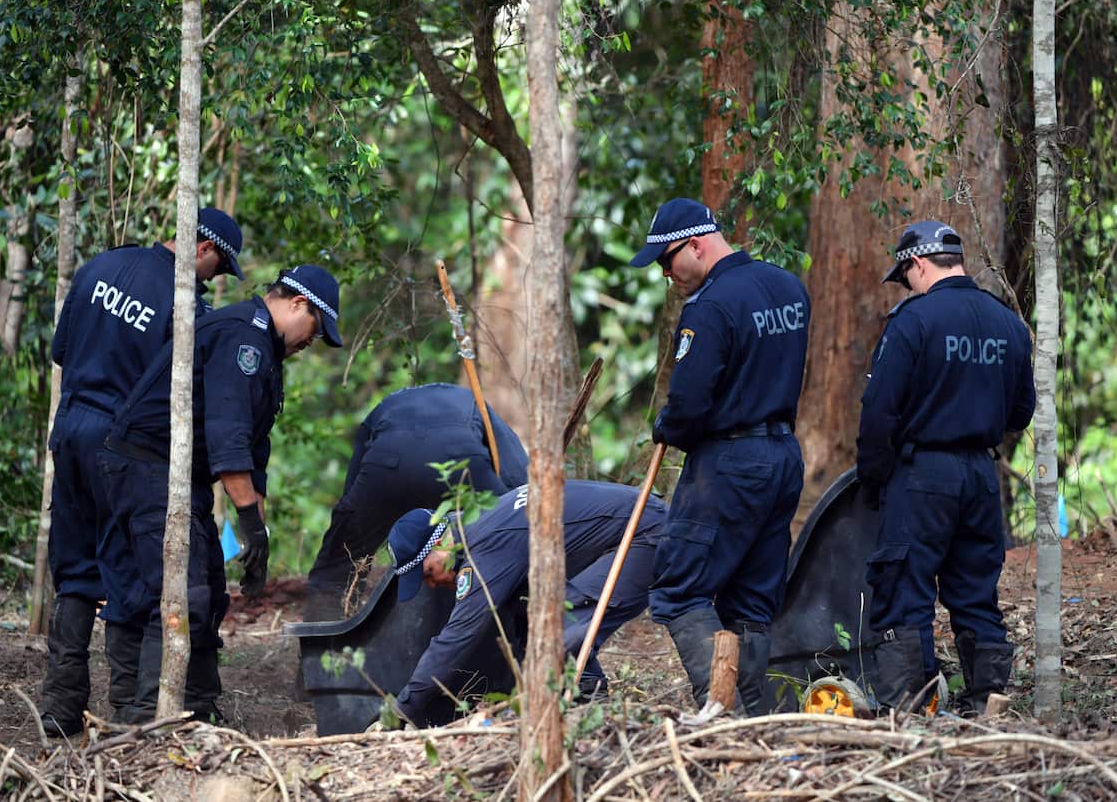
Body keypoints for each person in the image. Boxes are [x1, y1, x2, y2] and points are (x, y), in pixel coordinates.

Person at [100, 264, 343, 723]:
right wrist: (249, 521)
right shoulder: (243, 339)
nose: (311, 342)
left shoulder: (264, 351)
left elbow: (254, 449)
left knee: (209, 588)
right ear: (296, 303)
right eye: (315, 328)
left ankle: (198, 707)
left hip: (179, 475)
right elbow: (230, 441)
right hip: (146, 465)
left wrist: (258, 536)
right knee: (178, 593)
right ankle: (146, 718)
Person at [38, 207, 245, 738]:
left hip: (71, 430)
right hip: (123, 449)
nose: (212, 281)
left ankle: (60, 709)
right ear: (202, 249)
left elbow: (61, 351)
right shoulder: (184, 305)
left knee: (74, 566)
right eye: (216, 268)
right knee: (129, 571)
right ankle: (131, 706)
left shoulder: (100, 266)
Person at [628, 197, 810, 716]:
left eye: (668, 261)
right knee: (751, 602)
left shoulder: (709, 306)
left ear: (697, 244)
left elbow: (687, 405)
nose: (667, 275)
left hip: (730, 465)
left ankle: (723, 710)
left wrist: (667, 426)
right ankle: (754, 717)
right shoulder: (789, 287)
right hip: (782, 456)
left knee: (678, 591)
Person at [857, 220, 1035, 715]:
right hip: (981, 477)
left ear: (916, 264)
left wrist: (874, 479)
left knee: (904, 591)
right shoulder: (1006, 323)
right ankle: (988, 706)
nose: (906, 283)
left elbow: (878, 413)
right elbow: (1021, 411)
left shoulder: (913, 321)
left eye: (905, 274)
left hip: (922, 478)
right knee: (975, 593)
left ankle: (912, 713)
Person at [391, 480, 666, 728]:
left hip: (643, 532)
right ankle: (587, 703)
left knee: (556, 630)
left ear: (441, 544)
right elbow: (524, 609)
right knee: (540, 615)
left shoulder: (484, 548)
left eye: (428, 572)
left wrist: (403, 710)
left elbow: (458, 636)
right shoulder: (480, 524)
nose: (430, 583)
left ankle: (590, 708)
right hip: (642, 519)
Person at [304, 383, 529, 622]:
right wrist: (523, 513)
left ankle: (324, 634)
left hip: (389, 464)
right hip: (459, 460)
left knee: (340, 558)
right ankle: (523, 622)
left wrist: (352, 527)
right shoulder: (473, 400)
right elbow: (516, 476)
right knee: (512, 531)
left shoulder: (386, 405)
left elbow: (353, 488)